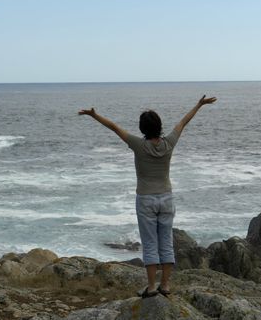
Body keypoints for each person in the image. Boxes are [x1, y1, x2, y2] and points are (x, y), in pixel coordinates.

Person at [78, 95, 217, 298]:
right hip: (167, 198)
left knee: (150, 244)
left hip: (145, 199)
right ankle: (166, 285)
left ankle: (152, 287)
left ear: (142, 128)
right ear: (160, 126)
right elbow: (183, 122)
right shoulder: (169, 143)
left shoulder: (138, 145)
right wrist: (199, 104)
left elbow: (115, 128)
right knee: (166, 242)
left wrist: (94, 115)